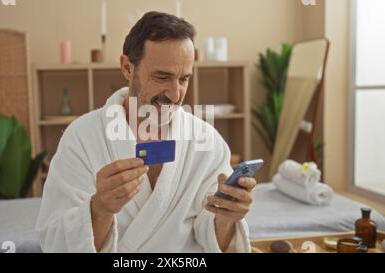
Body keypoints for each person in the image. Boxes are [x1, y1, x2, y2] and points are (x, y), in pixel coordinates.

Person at [36, 11, 256, 253]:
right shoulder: (82, 138)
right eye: (162, 77)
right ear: (127, 68)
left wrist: (226, 219)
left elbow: (216, 241)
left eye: (184, 79)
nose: (175, 94)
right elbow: (54, 241)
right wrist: (99, 210)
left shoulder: (207, 142)